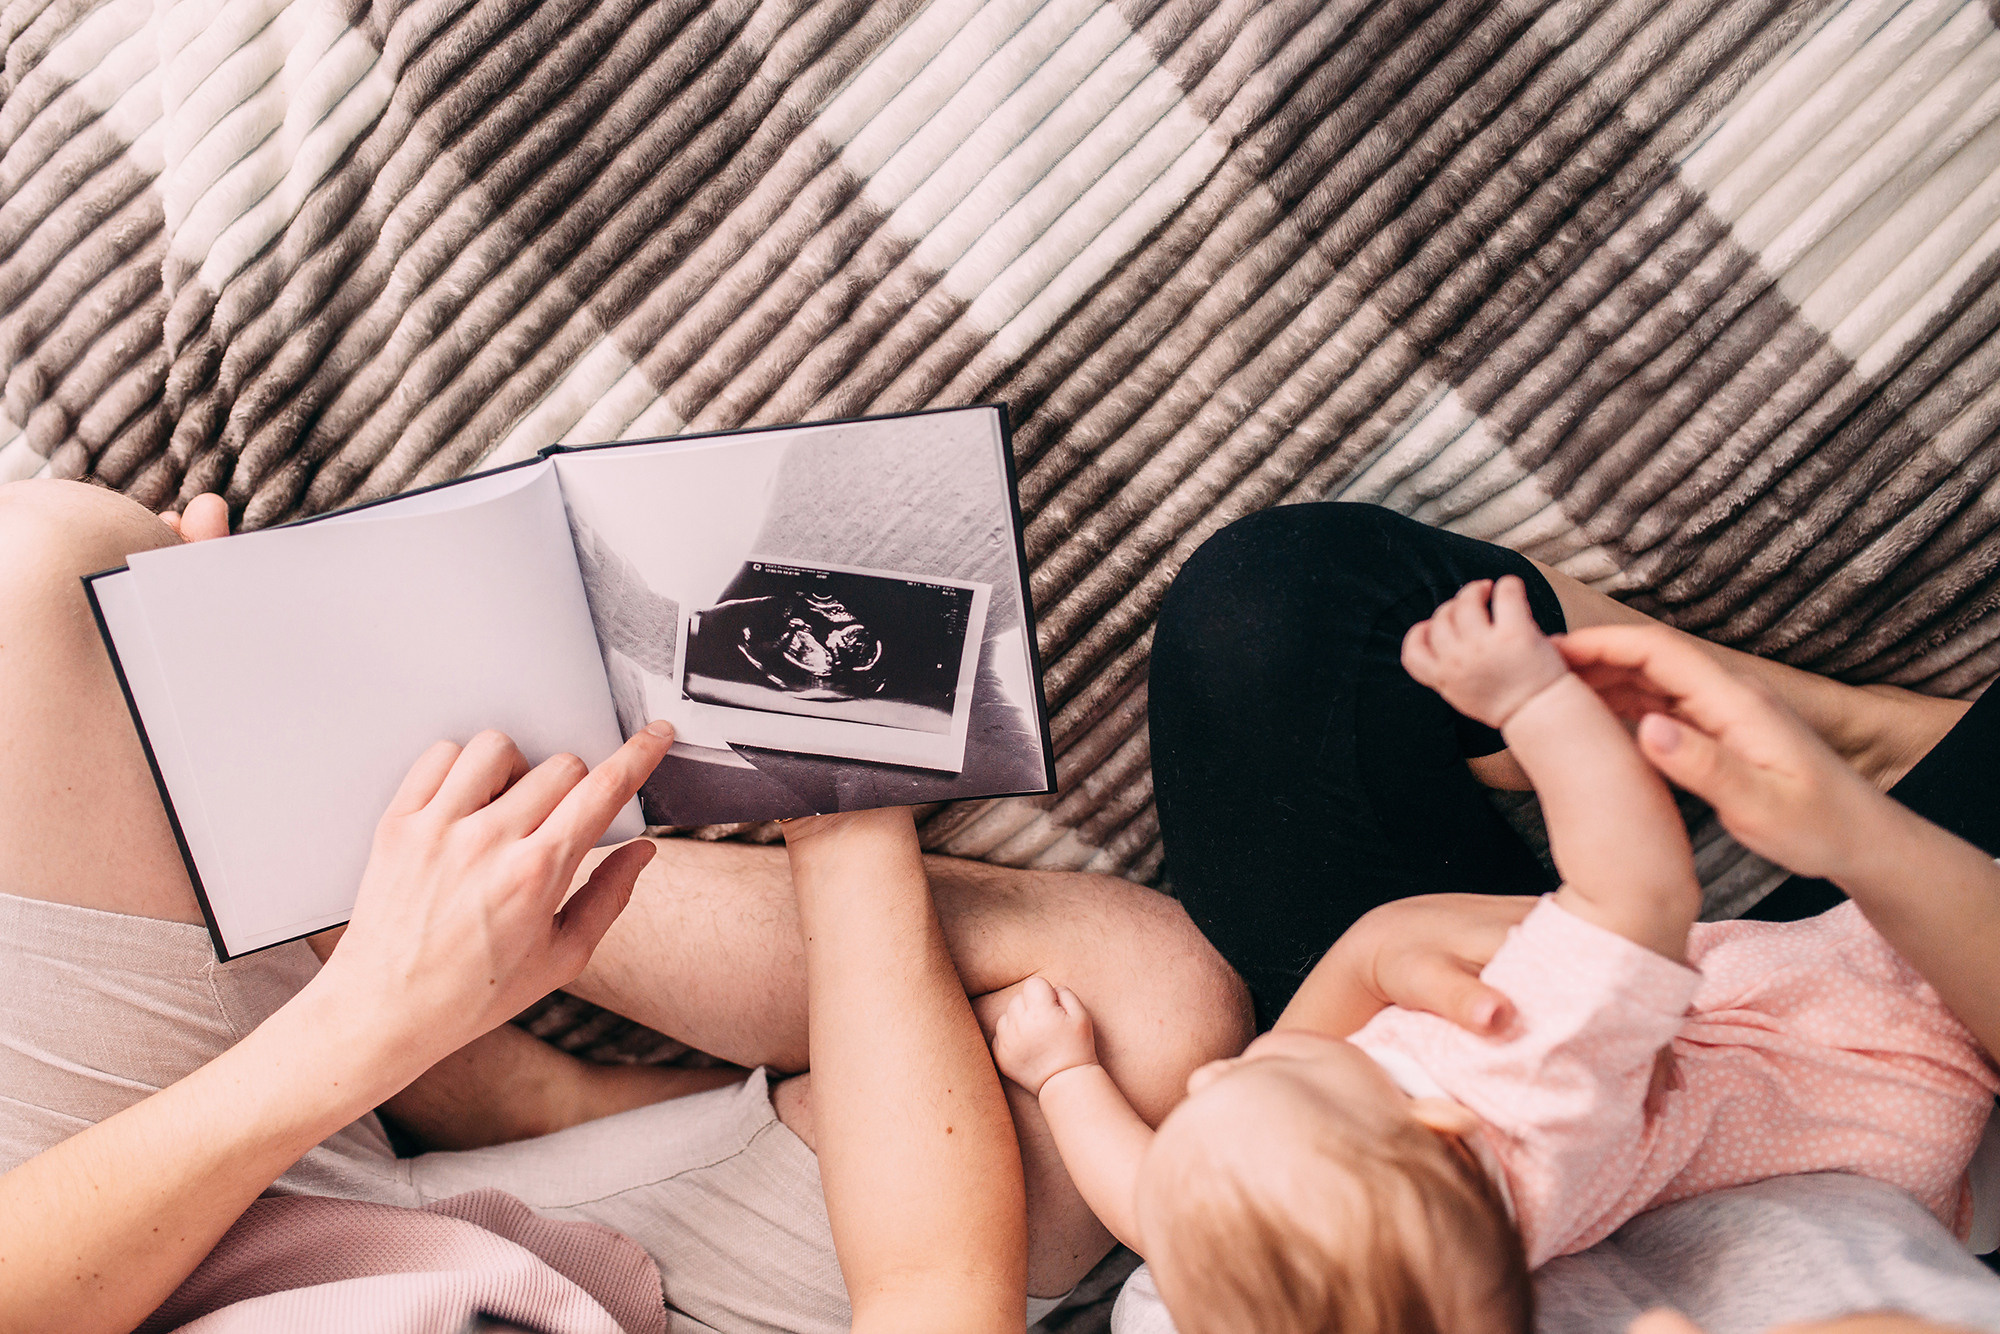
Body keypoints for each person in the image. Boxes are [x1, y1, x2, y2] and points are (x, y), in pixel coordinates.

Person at [0, 477, 1254, 1333]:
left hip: (154, 1271)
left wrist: (366, 1019)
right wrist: (840, 795)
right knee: (1138, 1009)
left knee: (44, 570)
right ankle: (507, 1062)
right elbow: (927, 1285)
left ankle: (357, 899)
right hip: (614, 1301)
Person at [991, 575, 2000, 1332]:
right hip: (1864, 1060)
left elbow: (1156, 1200)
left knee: (1277, 602)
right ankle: (1844, 766)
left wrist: (1070, 1073)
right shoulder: (1529, 1093)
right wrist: (1531, 700)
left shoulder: (1259, 1280)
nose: (1210, 1069)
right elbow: (1636, 885)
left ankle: (1862, 751)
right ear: (1431, 1119)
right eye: (1259, 1069)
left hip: (1742, 1098)